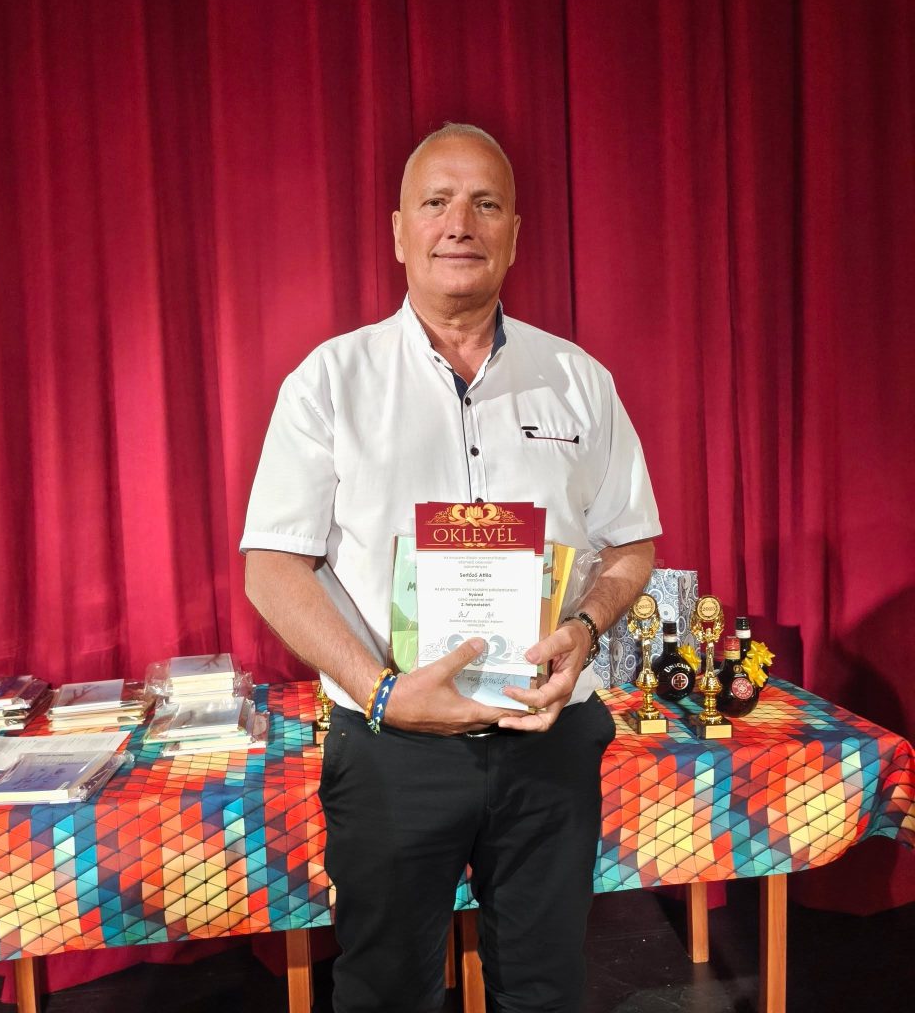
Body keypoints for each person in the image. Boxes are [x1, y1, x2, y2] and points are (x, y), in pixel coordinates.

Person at [241, 123, 660, 1013]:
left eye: (485, 203)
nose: (459, 223)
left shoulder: (580, 380)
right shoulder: (330, 381)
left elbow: (631, 544)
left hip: (547, 742)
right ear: (400, 232)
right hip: (390, 747)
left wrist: (585, 627)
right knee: (386, 990)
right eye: (436, 202)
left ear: (515, 233)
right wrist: (384, 693)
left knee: (546, 990)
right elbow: (272, 565)